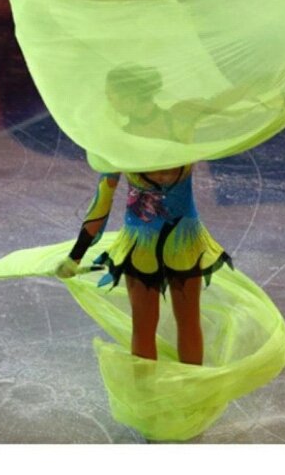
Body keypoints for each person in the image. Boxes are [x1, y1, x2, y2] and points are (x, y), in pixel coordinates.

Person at [55, 64, 239, 366]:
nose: (109, 101)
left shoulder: (122, 139)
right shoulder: (176, 118)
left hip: (153, 243)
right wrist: (279, 89)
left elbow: (101, 204)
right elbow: (229, 100)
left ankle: (161, 390)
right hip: (174, 240)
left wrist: (75, 256)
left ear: (130, 96)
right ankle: (179, 389)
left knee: (155, 325)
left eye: (112, 95)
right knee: (178, 322)